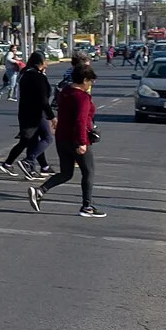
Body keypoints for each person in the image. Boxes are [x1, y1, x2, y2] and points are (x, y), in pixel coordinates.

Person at [31, 63, 102, 217]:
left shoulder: (65, 92)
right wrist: (81, 142)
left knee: (66, 173)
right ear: (84, 80)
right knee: (88, 172)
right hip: (76, 139)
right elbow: (80, 121)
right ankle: (87, 206)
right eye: (91, 81)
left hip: (62, 138)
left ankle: (40, 191)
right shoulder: (82, 97)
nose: (91, 84)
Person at [0, 51, 55, 178]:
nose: (47, 63)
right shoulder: (37, 76)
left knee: (32, 141)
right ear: (41, 62)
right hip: (36, 113)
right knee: (47, 138)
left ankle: (39, 167)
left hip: (26, 112)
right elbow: (43, 100)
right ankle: (28, 162)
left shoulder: (26, 73)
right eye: (46, 60)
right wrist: (52, 117)